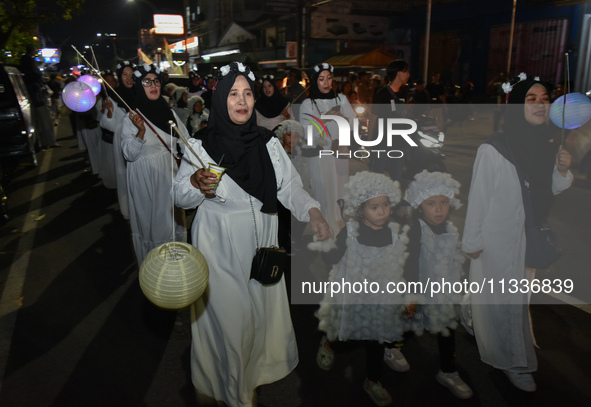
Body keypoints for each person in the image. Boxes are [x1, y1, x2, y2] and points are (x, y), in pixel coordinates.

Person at [173, 61, 332, 407]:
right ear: (219, 100)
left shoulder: (268, 143)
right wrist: (195, 182)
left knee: (257, 320)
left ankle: (245, 380)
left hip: (263, 245)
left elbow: (290, 188)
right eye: (233, 94)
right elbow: (179, 196)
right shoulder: (201, 145)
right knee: (234, 323)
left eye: (247, 93)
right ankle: (238, 397)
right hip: (219, 246)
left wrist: (314, 212)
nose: (242, 101)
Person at [461, 73, 573, 392]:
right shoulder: (494, 148)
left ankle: (472, 314)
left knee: (510, 297)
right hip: (498, 239)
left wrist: (562, 169)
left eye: (544, 98)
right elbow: (479, 199)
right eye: (531, 99)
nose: (540, 104)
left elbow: (549, 189)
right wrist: (472, 241)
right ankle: (514, 361)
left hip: (530, 236)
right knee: (509, 301)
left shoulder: (547, 144)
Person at [314, 171, 411, 407]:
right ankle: (329, 343)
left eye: (386, 204)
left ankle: (373, 380)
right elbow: (333, 258)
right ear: (359, 209)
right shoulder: (350, 232)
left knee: (376, 343)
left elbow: (401, 265)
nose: (382, 211)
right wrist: (325, 244)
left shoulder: (395, 233)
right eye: (374, 207)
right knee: (346, 338)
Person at [402, 170, 473, 399]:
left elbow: (454, 261)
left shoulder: (450, 230)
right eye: (431, 203)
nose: (439, 209)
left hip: (442, 293)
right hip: (419, 291)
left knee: (446, 328)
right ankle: (390, 347)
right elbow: (410, 264)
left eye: (443, 202)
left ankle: (448, 371)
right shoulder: (415, 231)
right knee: (407, 323)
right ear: (419, 205)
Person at [121, 63, 187, 265]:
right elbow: (129, 155)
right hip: (145, 180)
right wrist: (140, 133)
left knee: (170, 223)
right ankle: (156, 269)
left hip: (169, 176)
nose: (153, 85)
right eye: (147, 81)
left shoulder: (170, 114)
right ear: (140, 86)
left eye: (156, 81)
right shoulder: (131, 118)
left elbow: (186, 142)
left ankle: (177, 267)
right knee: (153, 225)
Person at [298, 62, 357, 233]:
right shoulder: (308, 104)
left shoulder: (341, 99)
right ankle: (324, 230)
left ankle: (341, 228)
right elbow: (306, 131)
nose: (326, 83)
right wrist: (326, 118)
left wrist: (343, 119)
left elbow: (353, 122)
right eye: (321, 79)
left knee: (341, 189)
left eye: (329, 78)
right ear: (315, 81)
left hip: (340, 151)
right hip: (319, 156)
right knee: (323, 190)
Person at [101, 61, 136, 220]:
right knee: (126, 175)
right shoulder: (113, 97)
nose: (129, 78)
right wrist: (109, 112)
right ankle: (128, 208)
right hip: (122, 140)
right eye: (125, 74)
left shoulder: (139, 93)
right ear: (119, 77)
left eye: (131, 74)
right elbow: (107, 124)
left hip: (140, 139)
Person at [369, 59, 411, 181]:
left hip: (399, 140)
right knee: (378, 173)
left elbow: (405, 112)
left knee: (396, 175)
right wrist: (369, 140)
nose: (408, 74)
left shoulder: (404, 91)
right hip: (382, 139)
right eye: (406, 71)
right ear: (398, 73)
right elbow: (373, 117)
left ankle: (393, 198)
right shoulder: (381, 93)